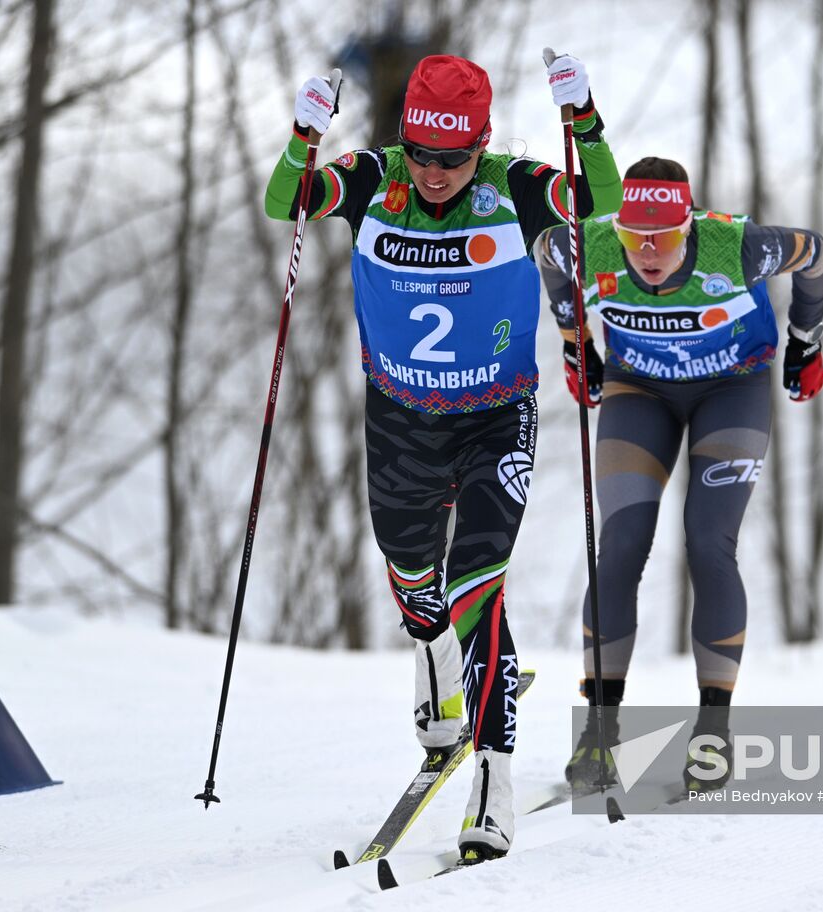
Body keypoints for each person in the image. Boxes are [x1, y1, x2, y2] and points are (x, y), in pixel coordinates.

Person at [265, 53, 620, 857]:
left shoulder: (516, 187)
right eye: (422, 152)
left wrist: (586, 122)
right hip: (400, 421)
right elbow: (286, 201)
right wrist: (303, 136)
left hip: (496, 418)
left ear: (481, 144)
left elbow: (600, 200)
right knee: (414, 579)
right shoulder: (373, 179)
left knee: (476, 590)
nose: (433, 172)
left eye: (453, 158)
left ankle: (493, 781)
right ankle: (430, 651)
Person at [535, 157, 823, 791]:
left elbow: (814, 253)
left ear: (688, 224)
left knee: (708, 543)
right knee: (620, 545)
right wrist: (574, 341)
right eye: (634, 235)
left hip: (731, 390)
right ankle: (600, 732)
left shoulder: (737, 247)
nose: (647, 252)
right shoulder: (589, 243)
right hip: (639, 391)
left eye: (664, 237)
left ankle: (712, 734)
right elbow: (545, 252)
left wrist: (806, 340)